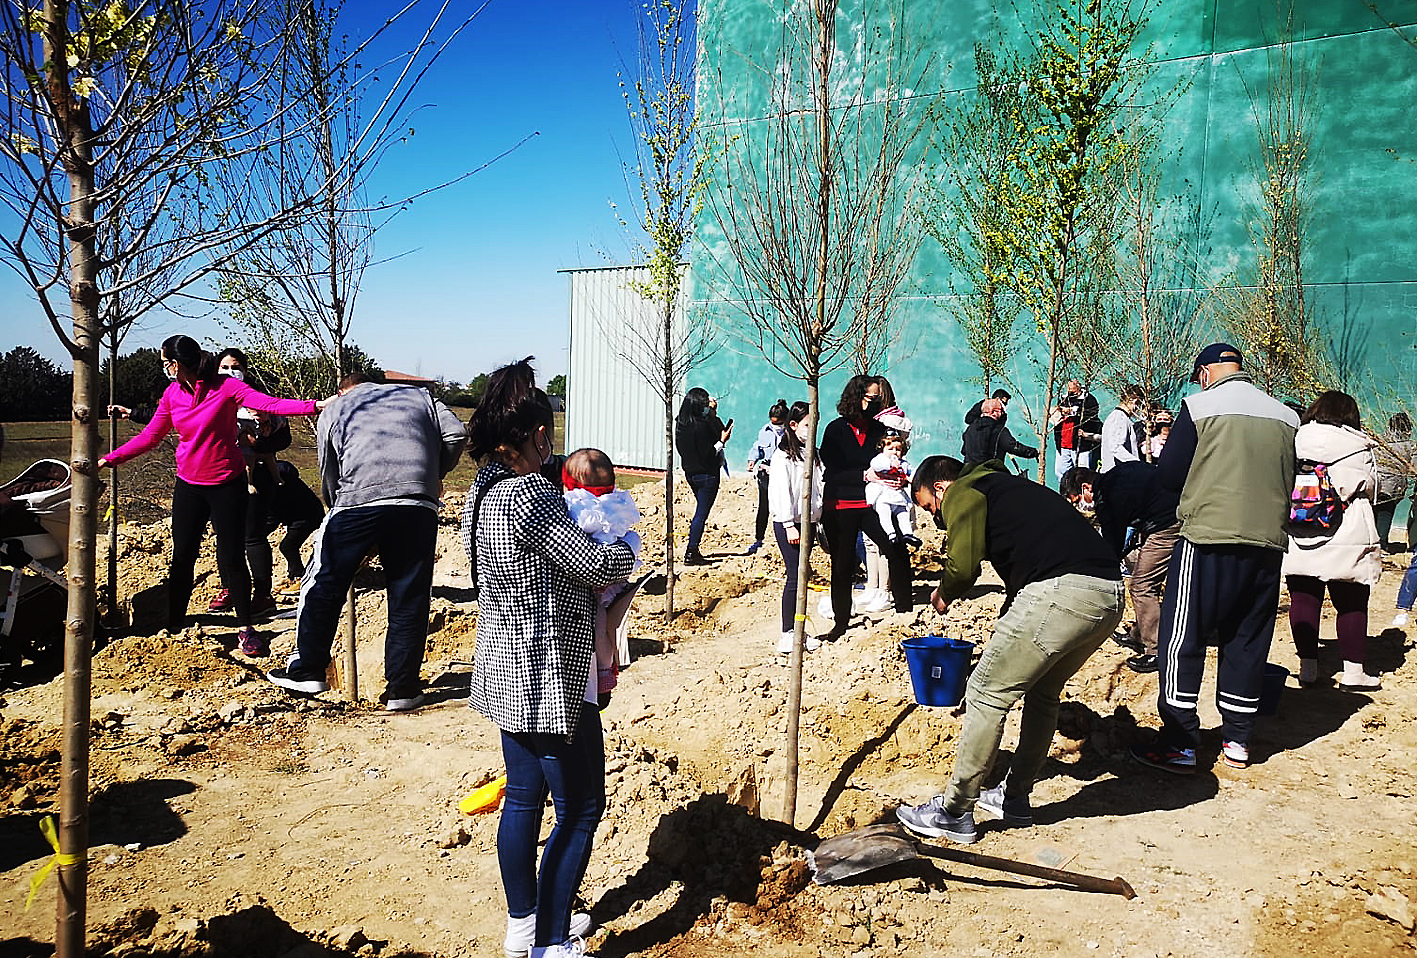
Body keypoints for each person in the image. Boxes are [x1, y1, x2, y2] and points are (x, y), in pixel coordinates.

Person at [460, 358, 635, 958]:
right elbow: (593, 563)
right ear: (536, 436)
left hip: (505, 674)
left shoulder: (480, 493)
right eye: (548, 436)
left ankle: (524, 924)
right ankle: (552, 942)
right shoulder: (533, 495)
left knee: (523, 799)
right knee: (582, 809)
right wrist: (624, 550)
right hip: (554, 673)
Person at [896, 456, 1123, 844]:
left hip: (1062, 590)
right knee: (1042, 694)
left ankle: (954, 812)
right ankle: (1015, 798)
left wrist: (943, 592)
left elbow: (963, 568)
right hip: (1109, 596)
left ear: (939, 488)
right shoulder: (1010, 490)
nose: (938, 520)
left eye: (932, 509)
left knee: (986, 692)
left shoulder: (965, 491)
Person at [97, 334, 328, 655]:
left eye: (165, 362)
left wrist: (315, 406)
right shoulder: (172, 395)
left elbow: (269, 404)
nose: (164, 368)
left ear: (176, 364)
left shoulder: (226, 387)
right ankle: (175, 626)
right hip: (189, 486)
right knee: (182, 559)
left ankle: (247, 628)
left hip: (227, 485)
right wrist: (108, 460)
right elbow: (151, 437)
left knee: (232, 556)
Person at [1130, 343, 1298, 774]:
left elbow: (1168, 476)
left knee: (1182, 636)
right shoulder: (1284, 414)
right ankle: (1239, 740)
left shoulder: (1199, 406)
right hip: (1267, 544)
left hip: (1207, 538)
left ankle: (1180, 742)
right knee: (1247, 637)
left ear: (1205, 372)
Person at [266, 372, 467, 709]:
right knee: (410, 595)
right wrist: (432, 475)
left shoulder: (338, 406)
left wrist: (336, 504)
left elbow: (329, 465)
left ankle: (308, 670)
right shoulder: (421, 398)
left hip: (357, 503)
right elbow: (455, 433)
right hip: (416, 505)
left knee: (323, 584)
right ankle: (403, 690)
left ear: (343, 389)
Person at [1283, 391, 1382, 690]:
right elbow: (1373, 488)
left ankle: (1308, 668)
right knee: (1351, 601)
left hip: (1300, 527)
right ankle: (1354, 672)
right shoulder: (1359, 445)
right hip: (1347, 529)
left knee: (1303, 599)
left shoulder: (1296, 437)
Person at [1060, 463, 1181, 674]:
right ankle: (1138, 635)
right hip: (1160, 515)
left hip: (1166, 524)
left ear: (1087, 488)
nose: (1081, 506)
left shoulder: (1107, 496)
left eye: (1078, 500)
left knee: (1142, 585)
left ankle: (1157, 651)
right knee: (1142, 578)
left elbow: (1112, 546)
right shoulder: (1115, 477)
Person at [818, 375, 913, 634]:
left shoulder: (878, 430)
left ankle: (905, 611)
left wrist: (898, 480)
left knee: (895, 549)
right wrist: (863, 476)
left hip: (873, 504)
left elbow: (893, 460)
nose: (876, 403)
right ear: (857, 397)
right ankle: (840, 623)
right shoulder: (835, 430)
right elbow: (832, 470)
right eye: (872, 398)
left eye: (878, 399)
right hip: (840, 504)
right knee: (842, 564)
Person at [205, 348, 290, 620]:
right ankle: (230, 588)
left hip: (257, 472)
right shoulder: (210, 397)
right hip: (220, 474)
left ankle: (263, 595)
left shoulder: (256, 398)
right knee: (225, 536)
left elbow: (283, 438)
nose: (230, 371)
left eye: (236, 366)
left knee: (252, 534)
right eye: (224, 366)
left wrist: (259, 442)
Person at [560, 448, 643, 702]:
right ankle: (606, 672)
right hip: (614, 578)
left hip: (587, 580)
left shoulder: (575, 507)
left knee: (596, 626)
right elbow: (628, 535)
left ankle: (602, 677)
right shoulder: (618, 504)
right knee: (606, 626)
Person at [768, 401, 823, 655]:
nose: (811, 431)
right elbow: (781, 493)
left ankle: (799, 629)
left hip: (809, 522)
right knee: (795, 575)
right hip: (790, 524)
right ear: (793, 425)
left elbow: (817, 488)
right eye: (807, 425)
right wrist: (789, 525)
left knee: (803, 577)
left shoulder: (813, 453)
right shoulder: (783, 457)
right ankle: (787, 632)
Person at [674, 387, 731, 565]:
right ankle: (691, 551)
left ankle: (693, 548)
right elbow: (710, 451)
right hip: (707, 474)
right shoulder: (703, 425)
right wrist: (722, 441)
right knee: (701, 514)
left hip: (690, 472)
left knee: (700, 509)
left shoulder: (680, 423)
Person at [745, 400, 789, 555]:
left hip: (784, 472)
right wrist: (752, 460)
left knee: (785, 507)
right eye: (773, 423)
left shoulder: (790, 433)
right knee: (764, 506)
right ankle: (759, 538)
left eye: (779, 423)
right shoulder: (765, 431)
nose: (776, 426)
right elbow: (758, 447)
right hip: (766, 473)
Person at [866, 432, 919, 547]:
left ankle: (907, 533)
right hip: (883, 494)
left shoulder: (903, 463)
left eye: (898, 449)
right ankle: (890, 533)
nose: (895, 452)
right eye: (890, 449)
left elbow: (911, 471)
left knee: (903, 512)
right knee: (884, 512)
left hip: (897, 495)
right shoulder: (880, 459)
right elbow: (875, 465)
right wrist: (890, 464)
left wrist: (912, 478)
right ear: (883, 449)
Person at [1374, 412, 1415, 551]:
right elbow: (1414, 467)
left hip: (1375, 484)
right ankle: (1381, 544)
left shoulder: (1378, 442)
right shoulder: (1410, 446)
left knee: (1374, 513)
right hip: (1393, 487)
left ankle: (1373, 543)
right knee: (1386, 513)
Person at [960, 397, 1038, 466]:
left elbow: (963, 451)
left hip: (967, 471)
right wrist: (1033, 452)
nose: (1002, 414)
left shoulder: (970, 428)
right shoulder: (999, 430)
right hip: (989, 473)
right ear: (993, 412)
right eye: (1000, 410)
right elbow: (1013, 447)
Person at [1050, 379, 1101, 479]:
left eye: (1072, 388)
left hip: (1081, 446)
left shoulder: (1089, 400)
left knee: (1082, 475)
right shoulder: (1064, 399)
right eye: (1068, 388)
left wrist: (1072, 411)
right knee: (1061, 474)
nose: (1069, 390)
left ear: (1078, 386)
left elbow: (1092, 415)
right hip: (1063, 444)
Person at [1100, 384, 1146, 471]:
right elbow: (1115, 447)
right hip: (1117, 475)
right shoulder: (1119, 418)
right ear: (1135, 401)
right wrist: (1137, 464)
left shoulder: (1119, 417)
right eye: (1140, 405)